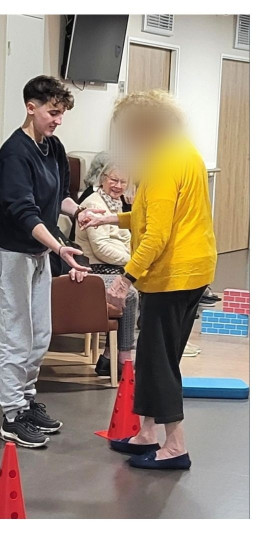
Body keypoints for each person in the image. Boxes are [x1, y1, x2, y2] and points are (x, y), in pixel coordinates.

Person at [81, 90, 217, 470]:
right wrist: (107, 219)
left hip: (172, 276)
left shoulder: (161, 164)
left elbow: (156, 234)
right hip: (194, 269)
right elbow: (149, 214)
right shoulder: (184, 151)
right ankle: (146, 433)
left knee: (159, 361)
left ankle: (175, 446)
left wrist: (125, 281)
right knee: (158, 357)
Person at [0, 75, 99, 449]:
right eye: (53, 112)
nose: (58, 120)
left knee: (40, 334)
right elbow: (24, 212)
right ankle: (12, 416)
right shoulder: (13, 154)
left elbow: (59, 197)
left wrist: (80, 211)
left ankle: (27, 401)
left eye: (62, 113)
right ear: (30, 107)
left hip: (38, 251)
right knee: (16, 336)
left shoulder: (53, 147)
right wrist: (60, 247)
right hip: (8, 253)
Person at [74, 158, 138, 376]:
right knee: (129, 294)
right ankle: (124, 357)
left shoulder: (116, 203)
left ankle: (109, 357)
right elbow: (101, 248)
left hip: (115, 267)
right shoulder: (93, 204)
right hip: (96, 270)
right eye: (114, 180)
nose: (118, 186)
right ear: (102, 179)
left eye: (123, 182)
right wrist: (133, 262)